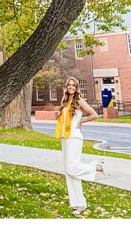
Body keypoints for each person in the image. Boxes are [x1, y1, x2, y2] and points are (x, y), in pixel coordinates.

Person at [56, 77, 104, 214]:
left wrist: (82, 120)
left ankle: (95, 168)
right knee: (69, 172)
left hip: (74, 137)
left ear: (76, 88)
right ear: (66, 87)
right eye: (69, 85)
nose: (71, 87)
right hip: (65, 137)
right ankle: (78, 203)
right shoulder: (65, 101)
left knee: (72, 168)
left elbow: (94, 115)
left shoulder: (79, 101)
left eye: (73, 85)